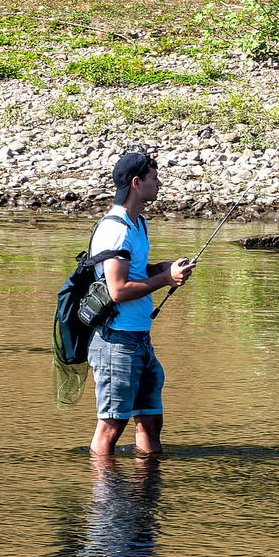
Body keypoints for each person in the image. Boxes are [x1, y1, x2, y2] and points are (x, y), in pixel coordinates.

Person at [87, 150, 195, 460]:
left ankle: (145, 498)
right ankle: (107, 502)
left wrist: (162, 269)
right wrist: (166, 280)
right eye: (154, 177)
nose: (159, 183)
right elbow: (117, 290)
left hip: (139, 339)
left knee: (150, 421)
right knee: (112, 425)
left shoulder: (139, 224)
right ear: (137, 183)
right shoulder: (115, 228)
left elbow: (134, 273)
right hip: (116, 342)